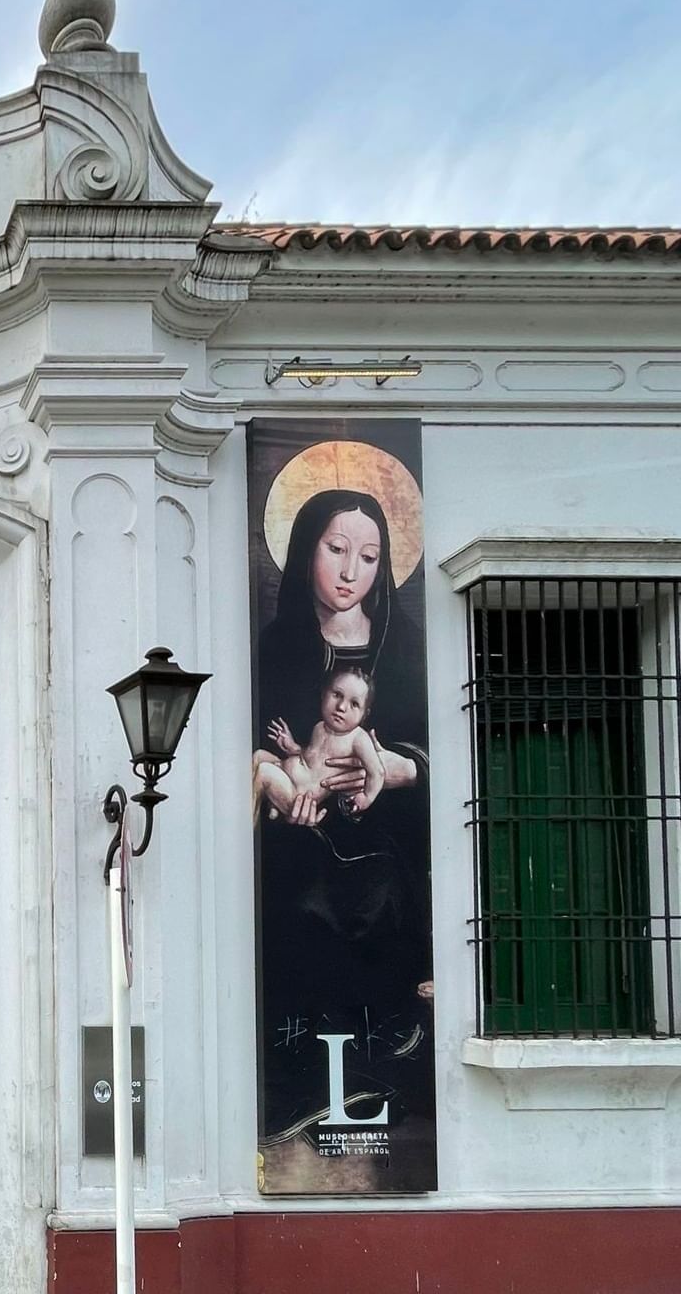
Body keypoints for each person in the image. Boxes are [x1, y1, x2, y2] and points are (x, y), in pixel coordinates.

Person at [254, 485, 433, 1152]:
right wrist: (275, 778)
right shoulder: (277, 646)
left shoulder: (406, 644)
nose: (352, 570)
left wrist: (395, 768)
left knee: (383, 897)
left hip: (386, 834)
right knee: (297, 901)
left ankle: (385, 1055)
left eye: (368, 555)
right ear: (305, 555)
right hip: (301, 835)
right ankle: (306, 1073)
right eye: (336, 550)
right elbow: (259, 744)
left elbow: (435, 748)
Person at [255, 667, 385, 820]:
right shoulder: (319, 727)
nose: (341, 707)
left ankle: (245, 825)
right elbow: (311, 758)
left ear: (365, 714)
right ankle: (269, 807)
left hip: (299, 798)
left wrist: (366, 798)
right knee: (259, 756)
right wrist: (292, 746)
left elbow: (378, 772)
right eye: (337, 695)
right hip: (287, 777)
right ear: (324, 694)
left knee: (263, 772)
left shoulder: (358, 739)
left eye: (354, 704)